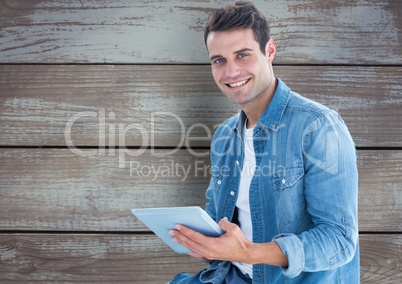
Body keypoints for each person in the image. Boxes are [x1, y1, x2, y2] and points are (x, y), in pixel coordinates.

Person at [169, 1, 359, 283]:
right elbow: (219, 219)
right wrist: (204, 242)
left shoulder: (318, 126)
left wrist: (249, 252)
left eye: (242, 55)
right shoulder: (224, 136)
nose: (231, 72)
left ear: (269, 50)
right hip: (229, 275)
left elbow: (339, 240)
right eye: (219, 60)